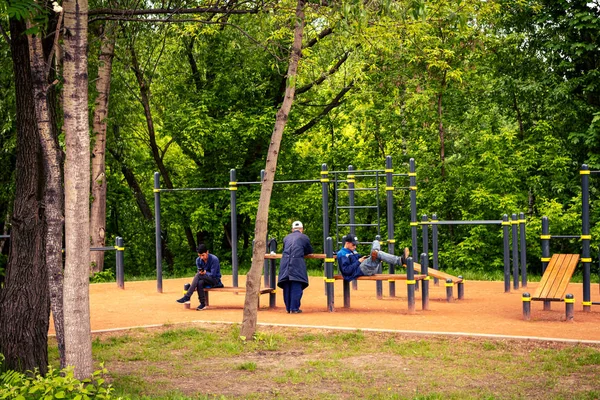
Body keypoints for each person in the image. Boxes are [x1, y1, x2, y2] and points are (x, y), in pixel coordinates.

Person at [277, 220, 313, 314]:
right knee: (297, 283)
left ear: (292, 229)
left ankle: (288, 308)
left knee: (286, 283)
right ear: (302, 229)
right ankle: (294, 308)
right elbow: (309, 250)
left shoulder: (286, 237)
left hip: (285, 263)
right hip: (297, 263)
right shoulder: (304, 237)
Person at [337, 234, 409, 281]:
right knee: (378, 253)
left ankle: (376, 252)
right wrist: (359, 261)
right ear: (347, 243)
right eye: (353, 245)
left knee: (376, 242)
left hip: (368, 268)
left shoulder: (353, 250)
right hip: (359, 271)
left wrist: (364, 257)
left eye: (356, 245)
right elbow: (346, 271)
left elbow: (359, 259)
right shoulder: (342, 254)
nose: (355, 247)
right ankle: (400, 261)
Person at [176, 244, 223, 310]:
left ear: (207, 252)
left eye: (203, 255)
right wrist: (201, 273)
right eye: (199, 255)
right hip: (204, 279)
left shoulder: (214, 259)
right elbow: (199, 271)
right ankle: (202, 303)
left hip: (215, 280)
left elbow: (213, 274)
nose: (201, 257)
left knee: (198, 275)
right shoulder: (198, 260)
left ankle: (187, 296)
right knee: (199, 282)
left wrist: (205, 272)